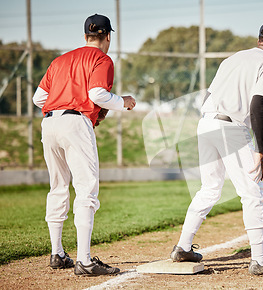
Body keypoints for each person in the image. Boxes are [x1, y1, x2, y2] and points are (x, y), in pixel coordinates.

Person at [170, 21, 263, 275]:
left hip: (206, 123)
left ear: (260, 39)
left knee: (210, 188)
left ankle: (182, 247)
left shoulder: (234, 58)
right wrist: (260, 149)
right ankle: (259, 261)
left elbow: (208, 96)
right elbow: (258, 105)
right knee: (253, 191)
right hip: (230, 127)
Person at [32, 14, 136, 276]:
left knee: (57, 187)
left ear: (86, 35)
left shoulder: (60, 60)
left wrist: (64, 101)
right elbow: (97, 94)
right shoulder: (101, 58)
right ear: (108, 36)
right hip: (75, 123)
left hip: (49, 122)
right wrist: (124, 101)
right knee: (86, 189)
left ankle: (57, 253)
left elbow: (39, 98)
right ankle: (85, 261)